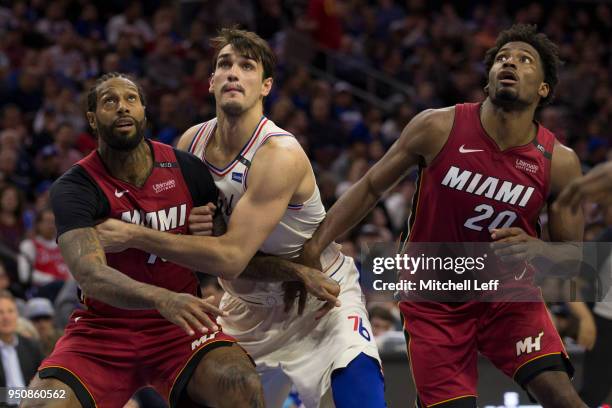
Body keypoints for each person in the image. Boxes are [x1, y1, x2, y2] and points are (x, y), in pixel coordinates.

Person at [300, 24, 588, 407]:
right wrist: (314, 246)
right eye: (502, 58)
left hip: (508, 298)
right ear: (487, 80)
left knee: (562, 397)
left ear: (543, 89)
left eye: (524, 60)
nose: (509, 63)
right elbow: (371, 186)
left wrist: (539, 249)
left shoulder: (560, 162)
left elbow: (574, 259)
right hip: (436, 297)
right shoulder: (437, 126)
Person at [96, 29, 385, 408]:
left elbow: (230, 258)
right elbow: (188, 241)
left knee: (361, 395)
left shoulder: (278, 153)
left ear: (265, 86)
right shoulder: (190, 145)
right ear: (211, 82)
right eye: (224, 64)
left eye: (246, 66)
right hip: (244, 306)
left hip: (318, 299)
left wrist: (135, 234)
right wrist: (196, 232)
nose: (233, 72)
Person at [23, 72, 265, 408]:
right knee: (37, 401)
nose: (122, 107)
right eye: (110, 101)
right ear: (92, 119)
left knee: (241, 385)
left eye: (131, 99)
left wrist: (294, 269)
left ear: (144, 112)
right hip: (102, 330)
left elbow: (228, 249)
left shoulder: (187, 169)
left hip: (180, 326)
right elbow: (89, 276)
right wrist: (163, 298)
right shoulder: (75, 187)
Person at [0, 290, 43, 406]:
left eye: (10, 311)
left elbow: (43, 385)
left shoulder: (32, 346)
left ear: (17, 314)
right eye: (1, 312)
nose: (6, 317)